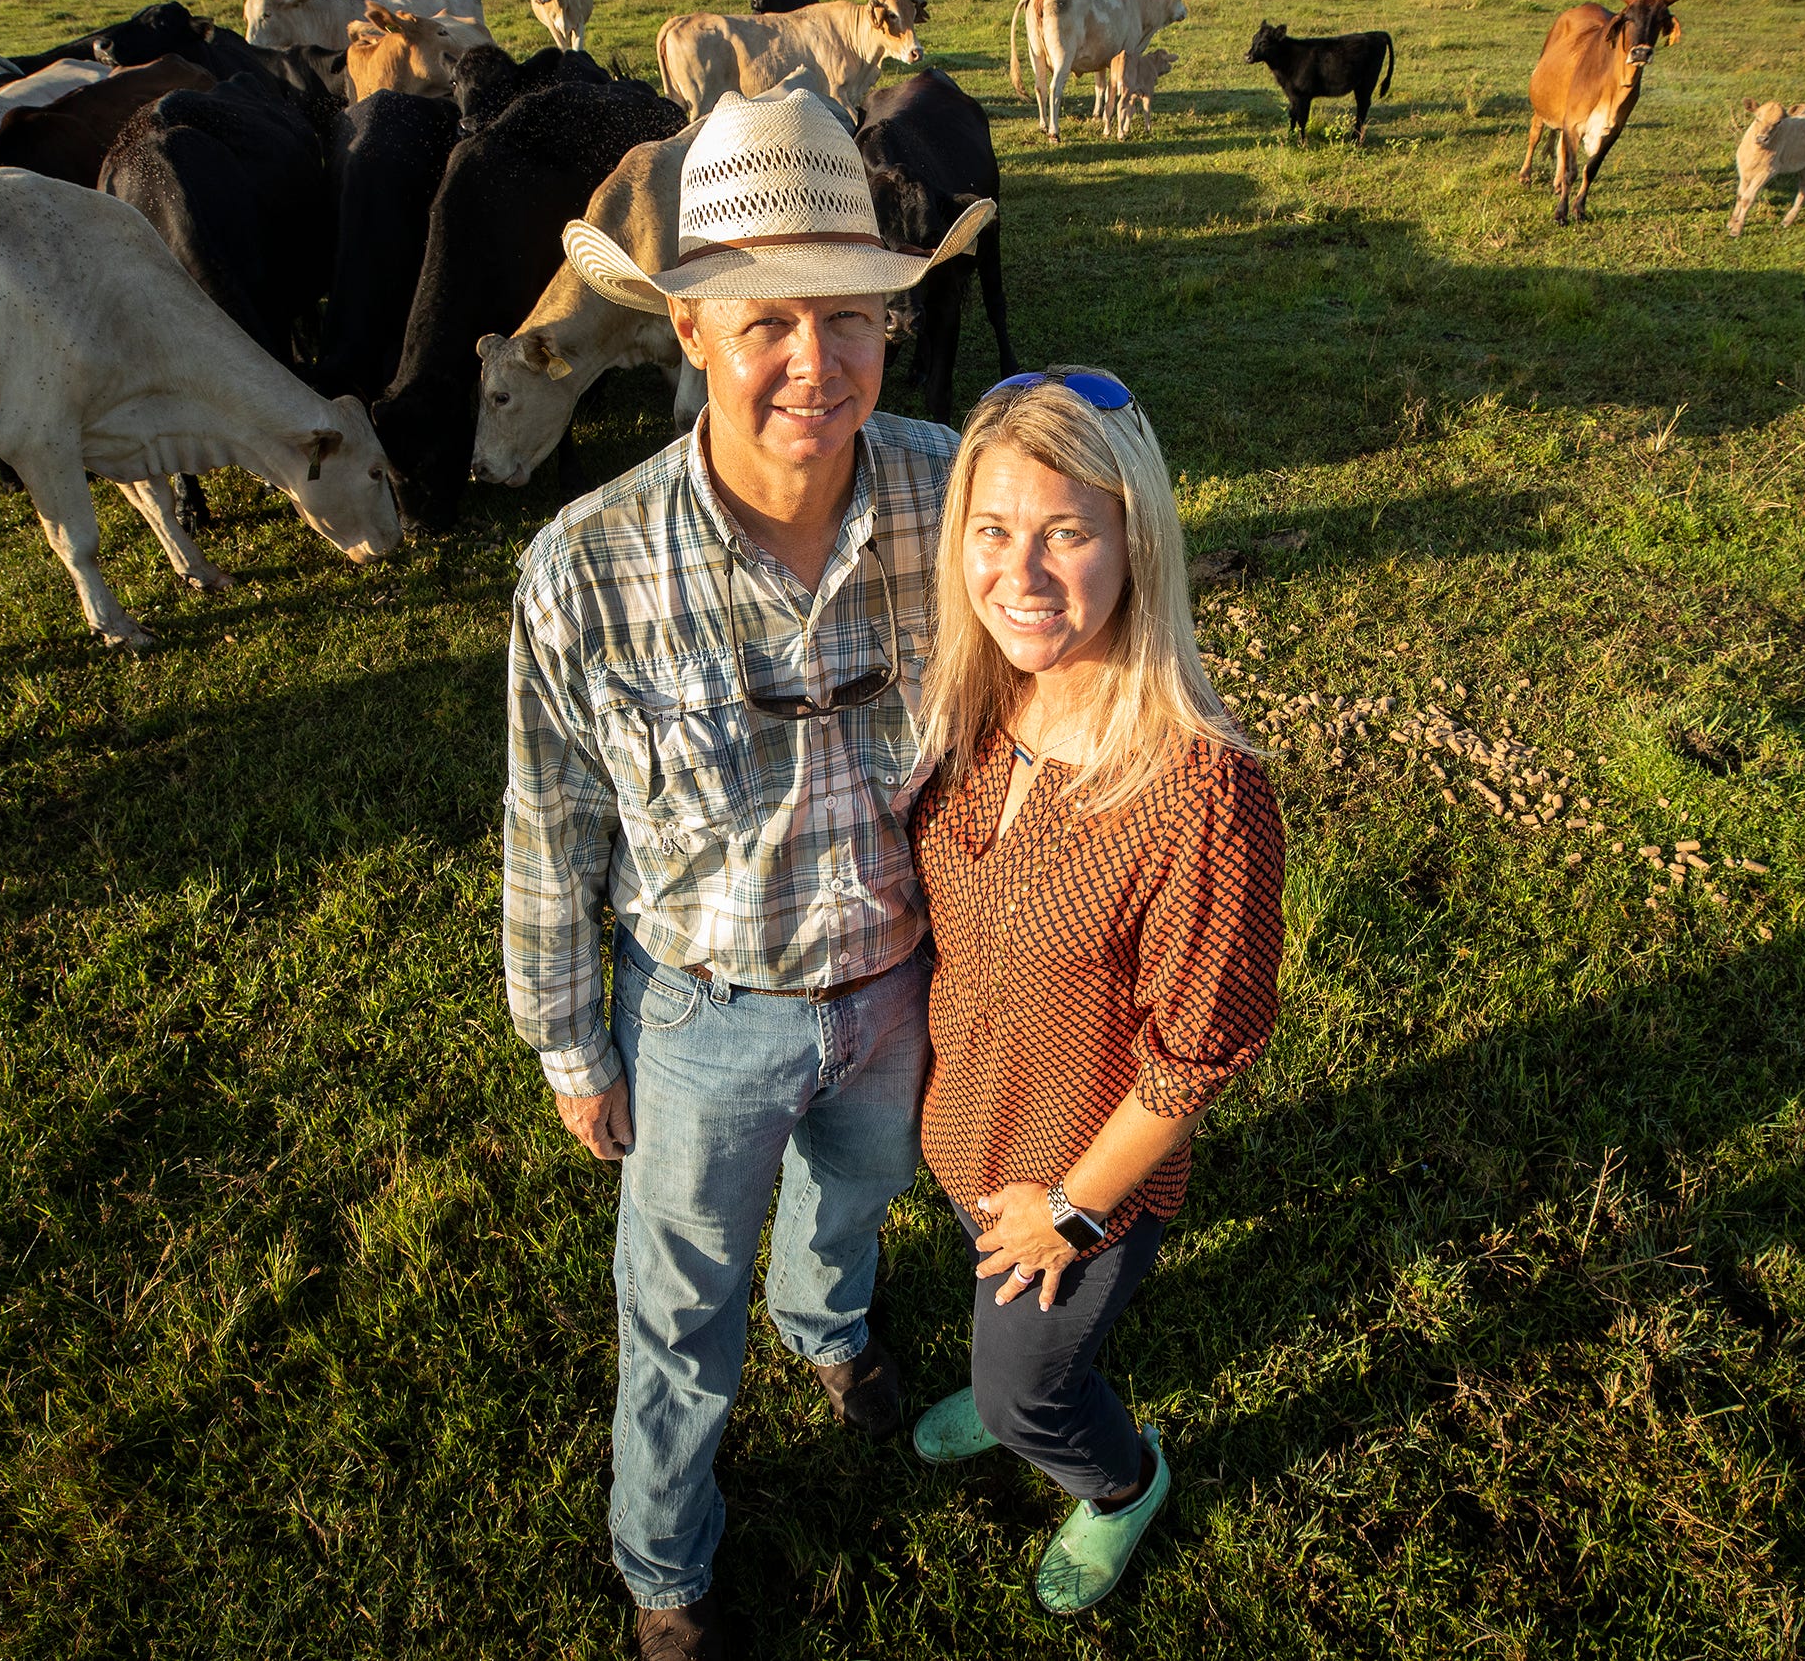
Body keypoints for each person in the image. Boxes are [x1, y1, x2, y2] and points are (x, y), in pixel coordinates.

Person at [508, 86, 993, 1661]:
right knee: (674, 1302)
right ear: (692, 334)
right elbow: (551, 818)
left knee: (856, 1194)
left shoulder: (952, 493)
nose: (815, 362)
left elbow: (1100, 595)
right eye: (768, 319)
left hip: (896, 983)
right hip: (704, 1009)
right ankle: (665, 1566)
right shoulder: (584, 561)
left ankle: (832, 1328)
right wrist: (574, 1041)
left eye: (851, 318)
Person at [906, 368, 1285, 1614]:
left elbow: (1197, 1053)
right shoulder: (978, 707)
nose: (1019, 573)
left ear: (1136, 540)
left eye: (1066, 532)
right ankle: (1010, 1370)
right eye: (994, 530)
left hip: (1089, 1185)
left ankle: (1120, 1481)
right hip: (973, 1139)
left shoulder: (1198, 789)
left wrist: (1068, 1210)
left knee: (1032, 1394)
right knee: (994, 1311)